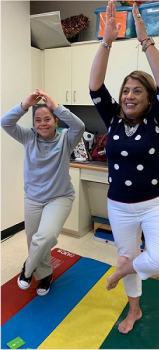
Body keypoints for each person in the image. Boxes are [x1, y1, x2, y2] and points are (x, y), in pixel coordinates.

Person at [89, 1, 159, 334]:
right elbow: (96, 86)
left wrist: (145, 40)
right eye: (125, 90)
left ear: (149, 98)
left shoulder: (157, 120)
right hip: (118, 206)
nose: (128, 95)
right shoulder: (112, 120)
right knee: (130, 255)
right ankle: (134, 309)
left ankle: (125, 267)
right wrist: (107, 41)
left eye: (137, 90)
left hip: (155, 203)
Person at [1, 89, 85, 296]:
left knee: (46, 236)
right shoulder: (28, 137)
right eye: (38, 120)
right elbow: (5, 122)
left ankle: (27, 270)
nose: (43, 124)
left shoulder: (66, 139)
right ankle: (45, 274)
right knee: (34, 240)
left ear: (55, 121)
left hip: (60, 197)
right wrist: (25, 104)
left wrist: (55, 105)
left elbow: (79, 126)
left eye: (48, 119)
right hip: (33, 198)